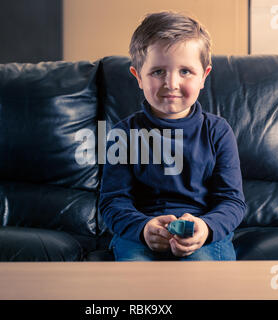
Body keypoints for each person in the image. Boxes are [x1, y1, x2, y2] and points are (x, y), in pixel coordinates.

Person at [98, 11, 246, 261]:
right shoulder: (123, 135)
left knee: (202, 277)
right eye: (157, 72)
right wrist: (143, 229)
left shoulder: (218, 131)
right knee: (136, 278)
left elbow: (232, 202)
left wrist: (206, 228)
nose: (172, 83)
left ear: (204, 77)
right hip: (139, 235)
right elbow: (113, 203)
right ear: (138, 77)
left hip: (203, 235)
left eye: (185, 71)